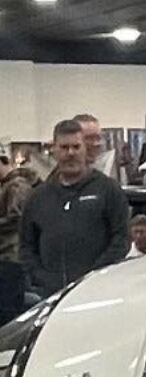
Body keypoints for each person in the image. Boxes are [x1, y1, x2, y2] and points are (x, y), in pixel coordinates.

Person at [20, 119, 131, 297]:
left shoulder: (108, 190)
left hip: (98, 292)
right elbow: (26, 246)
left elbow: (121, 240)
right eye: (64, 147)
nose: (70, 153)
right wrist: (42, 278)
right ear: (54, 151)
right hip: (51, 296)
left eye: (76, 147)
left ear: (85, 149)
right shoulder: (37, 197)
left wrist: (92, 276)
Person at [0, 153, 40, 324]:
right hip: (8, 254)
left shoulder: (17, 186)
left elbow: (17, 218)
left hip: (11, 255)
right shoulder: (10, 186)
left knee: (8, 310)